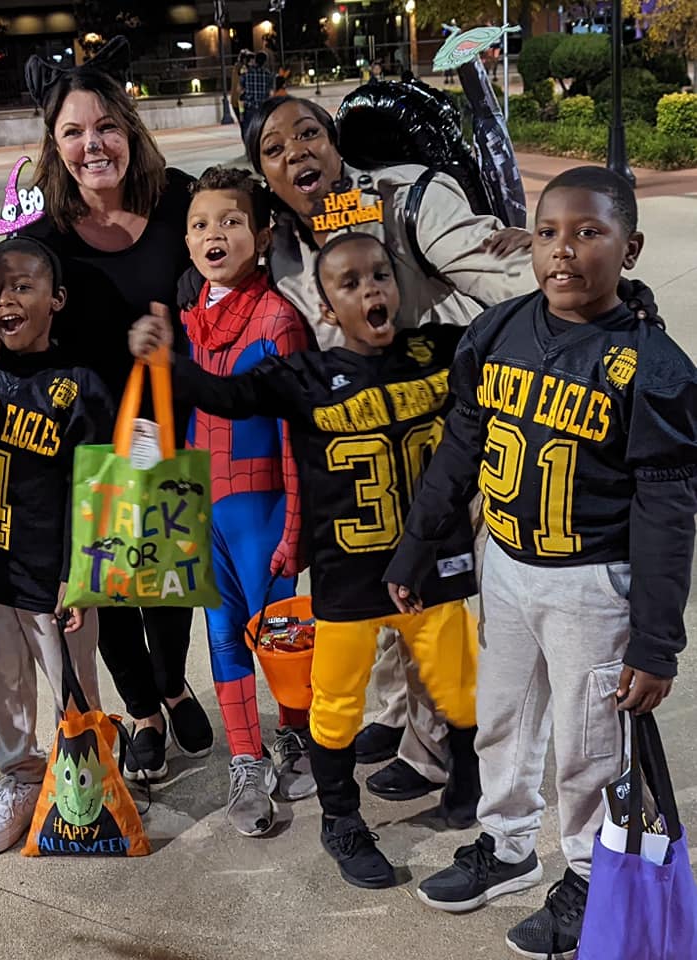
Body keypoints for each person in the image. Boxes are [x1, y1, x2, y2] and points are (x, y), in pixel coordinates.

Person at [385, 167, 697, 959]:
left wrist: (657, 642)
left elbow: (666, 511)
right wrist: (420, 542)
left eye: (589, 232)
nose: (564, 250)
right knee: (504, 719)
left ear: (630, 248)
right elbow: (462, 447)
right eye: (550, 231)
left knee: (589, 743)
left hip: (593, 583)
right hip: (508, 564)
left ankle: (591, 876)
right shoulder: (498, 332)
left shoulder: (652, 366)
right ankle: (509, 846)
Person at [131, 232, 480, 887]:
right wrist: (168, 359)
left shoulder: (436, 351)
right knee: (337, 708)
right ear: (325, 309)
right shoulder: (305, 377)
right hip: (352, 580)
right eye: (350, 283)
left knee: (460, 691)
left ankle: (465, 790)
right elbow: (224, 396)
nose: (371, 289)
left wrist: (612, 302)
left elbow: (505, 326)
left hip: (431, 571)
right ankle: (342, 823)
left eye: (381, 276)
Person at [243, 94, 532, 810]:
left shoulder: (409, 198)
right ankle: (406, 720)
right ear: (265, 175)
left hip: (457, 423)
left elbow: (502, 277)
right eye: (275, 150)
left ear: (334, 142)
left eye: (308, 134)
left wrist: (570, 269)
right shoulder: (282, 239)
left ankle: (453, 763)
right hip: (377, 433)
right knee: (393, 584)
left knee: (443, 601)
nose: (296, 154)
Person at [0, 56, 214, 782]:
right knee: (104, 587)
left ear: (129, 130)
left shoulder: (179, 203)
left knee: (164, 581)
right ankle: (141, 711)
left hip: (163, 423)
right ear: (54, 143)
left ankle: (172, 684)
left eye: (105, 126)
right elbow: (3, 289)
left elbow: (240, 259)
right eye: (73, 132)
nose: (92, 144)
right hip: (80, 434)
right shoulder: (47, 232)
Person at [0, 237, 115, 856]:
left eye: (22, 287)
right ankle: (21, 780)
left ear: (57, 299)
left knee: (72, 688)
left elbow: (97, 489)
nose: (6, 300)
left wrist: (81, 570)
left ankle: (87, 775)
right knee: (1, 685)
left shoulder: (78, 386)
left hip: (55, 578)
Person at [176, 165, 313, 836]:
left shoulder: (278, 320)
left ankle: (294, 736)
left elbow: (295, 434)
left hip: (262, 508)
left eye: (231, 221)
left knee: (281, 640)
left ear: (261, 236)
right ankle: (244, 758)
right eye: (200, 224)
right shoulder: (183, 317)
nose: (214, 234)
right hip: (204, 508)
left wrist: (296, 522)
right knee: (222, 637)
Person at [240, 52, 273, 140]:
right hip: (262, 108)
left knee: (247, 131)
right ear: (265, 62)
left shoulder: (247, 74)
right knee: (261, 131)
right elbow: (270, 91)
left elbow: (240, 88)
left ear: (255, 60)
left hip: (250, 106)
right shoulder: (268, 75)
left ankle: (249, 149)